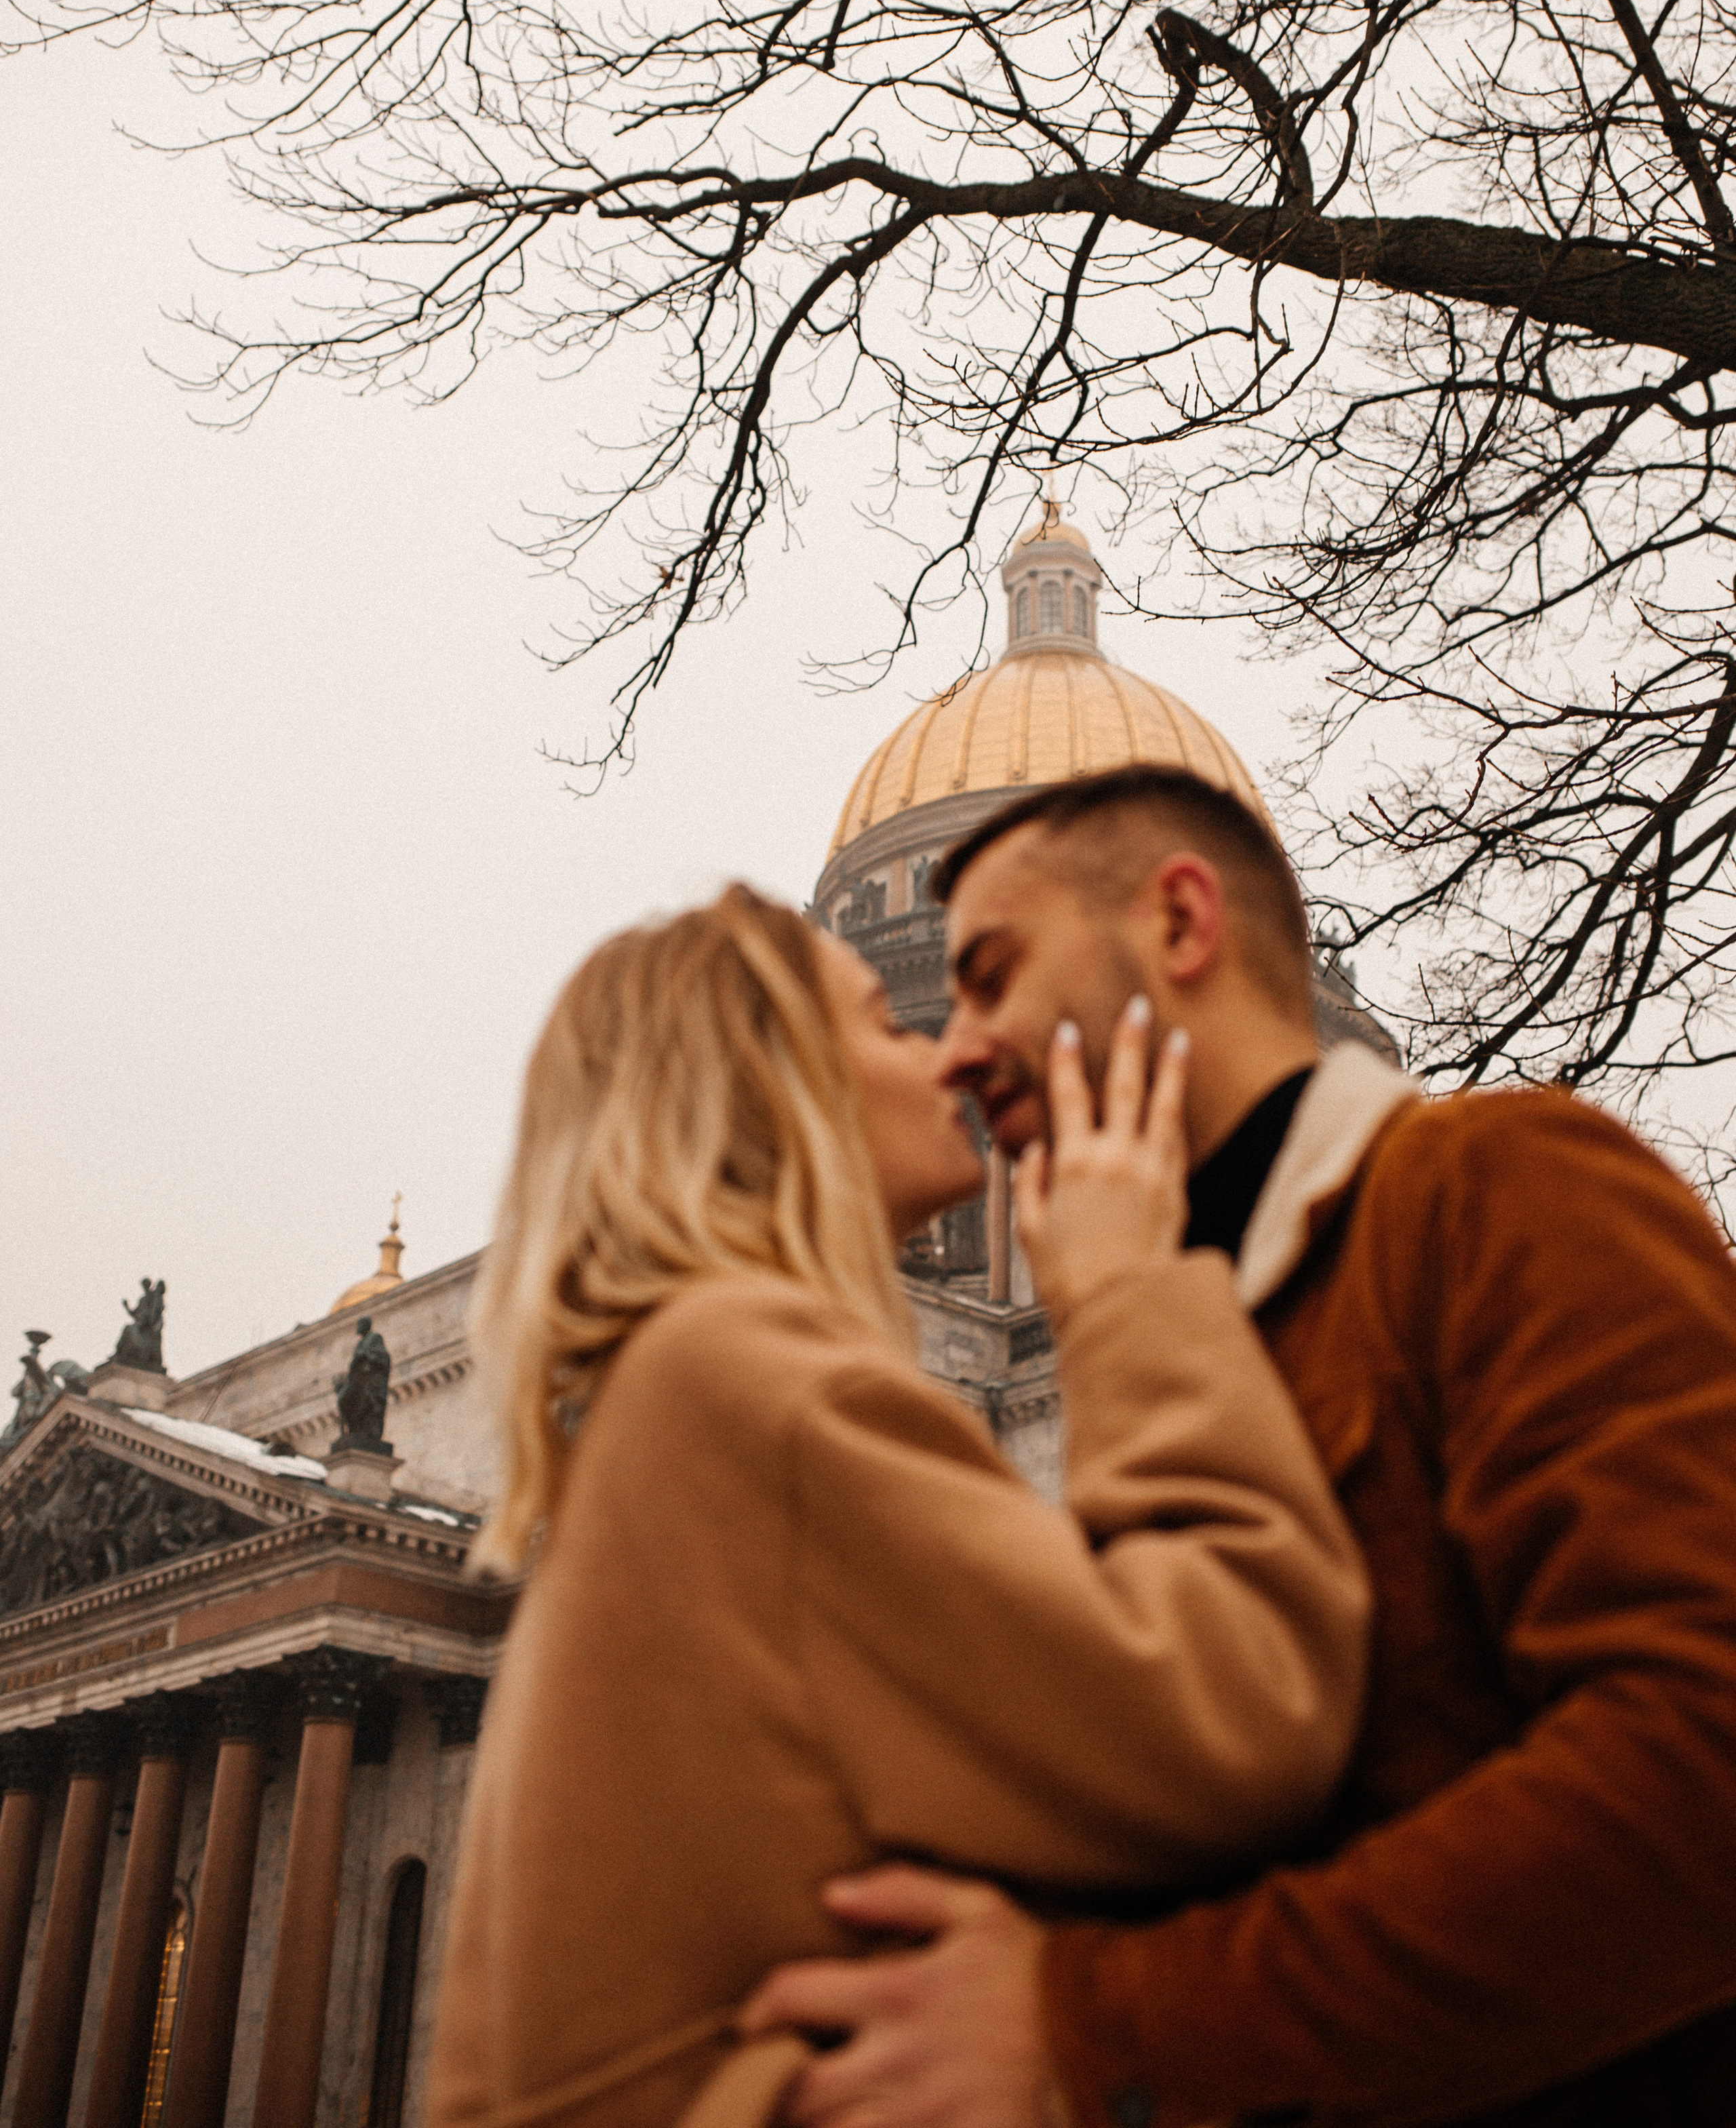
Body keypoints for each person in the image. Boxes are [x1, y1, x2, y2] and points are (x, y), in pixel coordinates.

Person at [743, 765, 1736, 2128]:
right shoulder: (1157, 1337)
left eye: (991, 973)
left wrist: (1088, 2024)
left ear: (1180, 923)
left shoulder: (1492, 1187)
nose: (955, 1051)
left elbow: (1700, 1768)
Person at [426, 884, 1370, 2128]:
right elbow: (1247, 1709)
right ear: (777, 1089)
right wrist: (1138, 1286)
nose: (949, 1056)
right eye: (889, 1022)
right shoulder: (758, 1390)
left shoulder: (679, 1385)